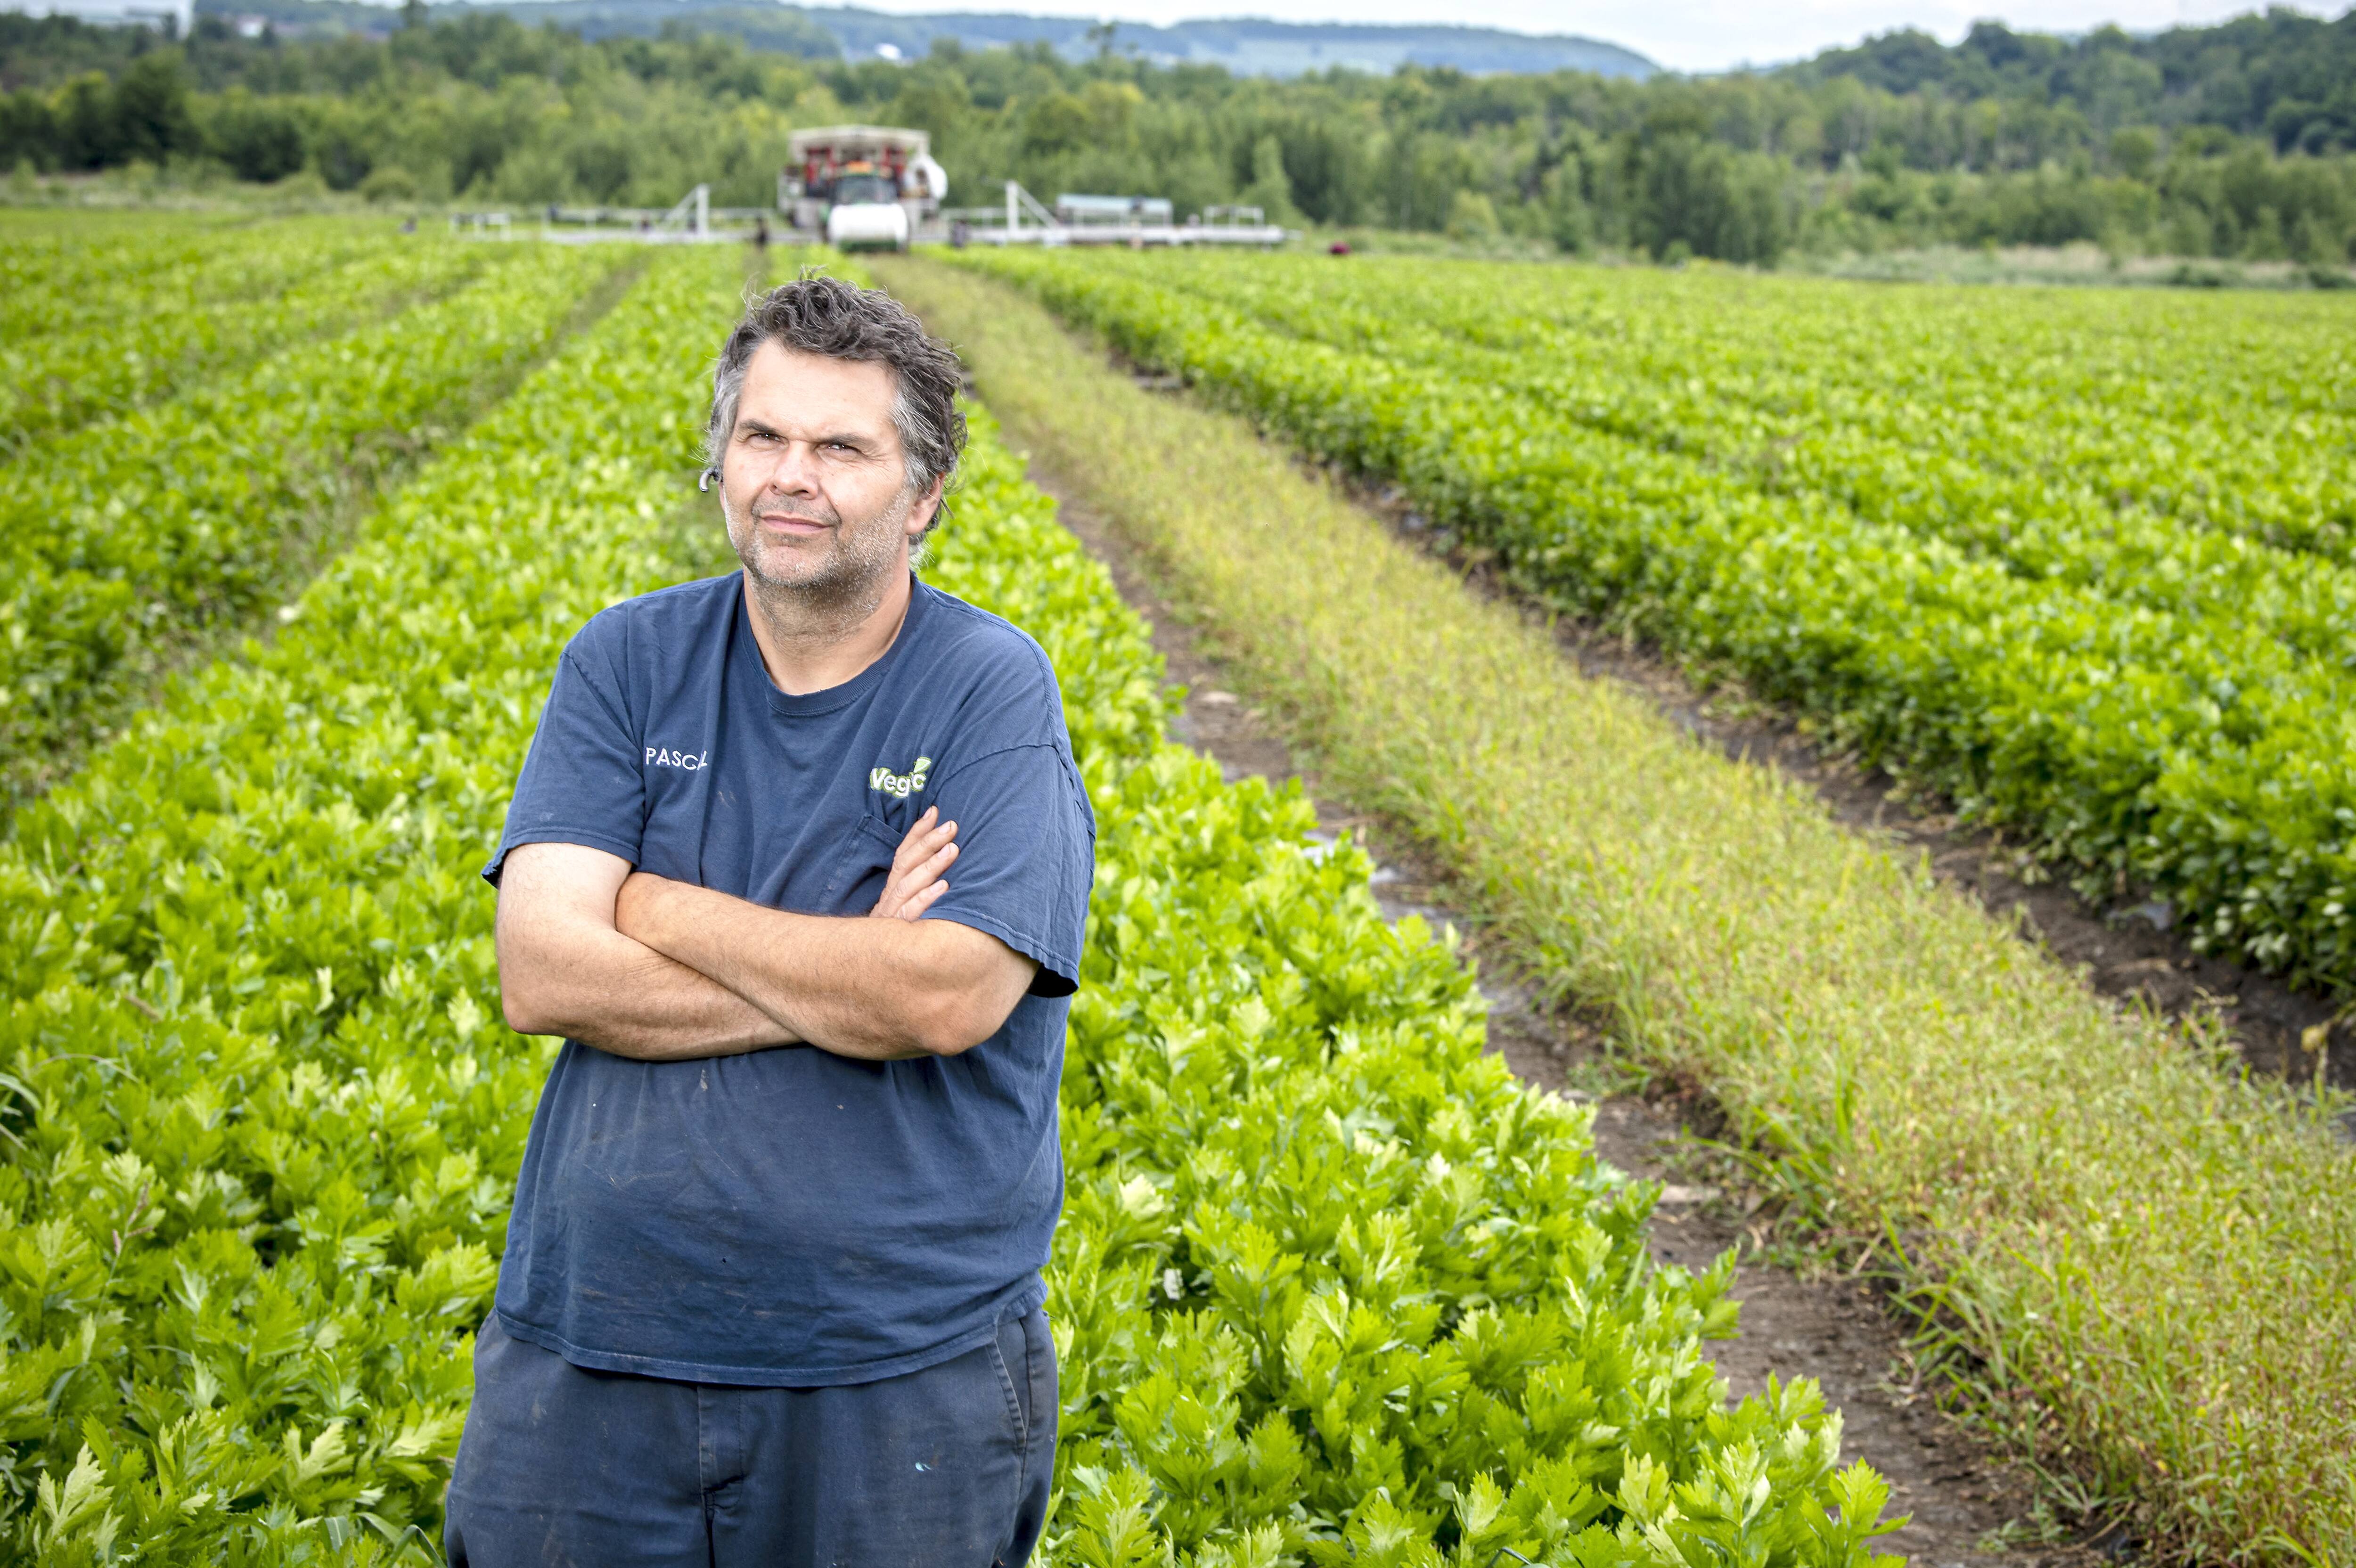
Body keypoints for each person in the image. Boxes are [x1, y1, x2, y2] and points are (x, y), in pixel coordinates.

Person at [444, 276, 1095, 1567]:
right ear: (722, 461)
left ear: (923, 497)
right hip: (590, 1352)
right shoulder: (624, 661)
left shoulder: (987, 689)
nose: (791, 477)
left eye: (842, 447)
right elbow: (545, 972)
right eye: (763, 439)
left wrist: (657, 902)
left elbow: (944, 999)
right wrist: (848, 967)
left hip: (891, 1372)